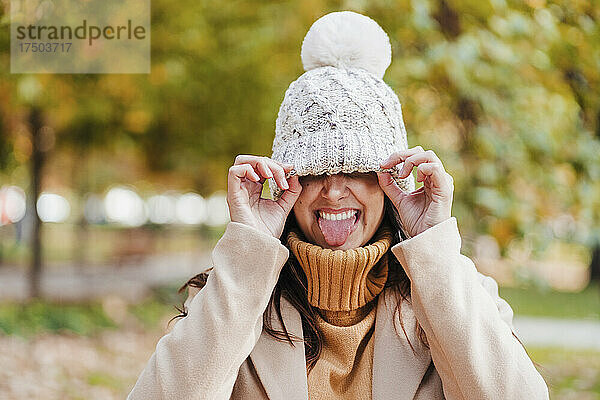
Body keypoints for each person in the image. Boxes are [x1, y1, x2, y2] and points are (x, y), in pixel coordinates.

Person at [127, 11, 549, 400]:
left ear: (393, 179)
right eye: (312, 170)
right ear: (284, 178)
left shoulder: (453, 289)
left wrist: (432, 249)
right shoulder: (234, 292)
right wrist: (249, 248)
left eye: (358, 169)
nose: (332, 191)